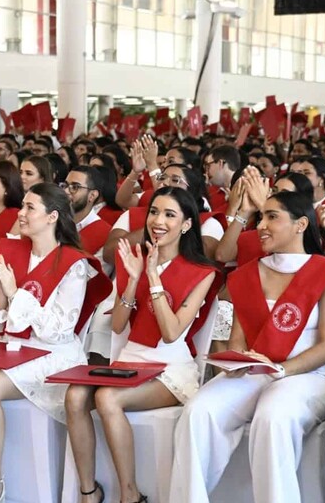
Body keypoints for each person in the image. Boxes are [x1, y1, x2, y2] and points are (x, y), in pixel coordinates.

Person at [170, 191, 325, 503]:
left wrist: (282, 369)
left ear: (301, 224)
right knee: (197, 412)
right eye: (260, 217)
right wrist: (240, 361)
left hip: (313, 376)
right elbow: (238, 340)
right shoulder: (247, 274)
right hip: (257, 372)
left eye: (272, 217)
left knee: (273, 416)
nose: (261, 225)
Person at [0, 183, 110, 503]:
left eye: (29, 208)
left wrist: (14, 294)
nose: (20, 214)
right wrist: (0, 291)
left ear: (52, 217)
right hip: (13, 345)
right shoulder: (12, 249)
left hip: (54, 352)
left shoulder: (74, 263)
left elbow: (60, 329)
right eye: (21, 206)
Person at [66, 187, 219, 503]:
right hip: (128, 361)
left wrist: (154, 278)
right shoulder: (133, 261)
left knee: (108, 398)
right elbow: (119, 325)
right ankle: (87, 491)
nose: (158, 221)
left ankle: (130, 494)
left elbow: (171, 332)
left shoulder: (202, 272)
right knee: (75, 395)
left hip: (170, 369)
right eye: (154, 212)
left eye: (169, 214)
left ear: (187, 225)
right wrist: (134, 279)